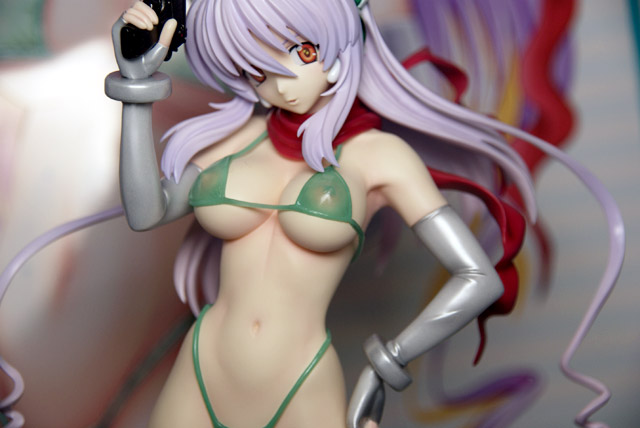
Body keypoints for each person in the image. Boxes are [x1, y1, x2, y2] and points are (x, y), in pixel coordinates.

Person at [0, 0, 623, 427]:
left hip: (299, 381)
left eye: (297, 50)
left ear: (334, 41)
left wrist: (391, 359)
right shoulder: (228, 141)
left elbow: (478, 276)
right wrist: (135, 90)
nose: (279, 80)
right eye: (256, 64)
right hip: (202, 367)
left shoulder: (377, 157)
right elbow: (145, 212)